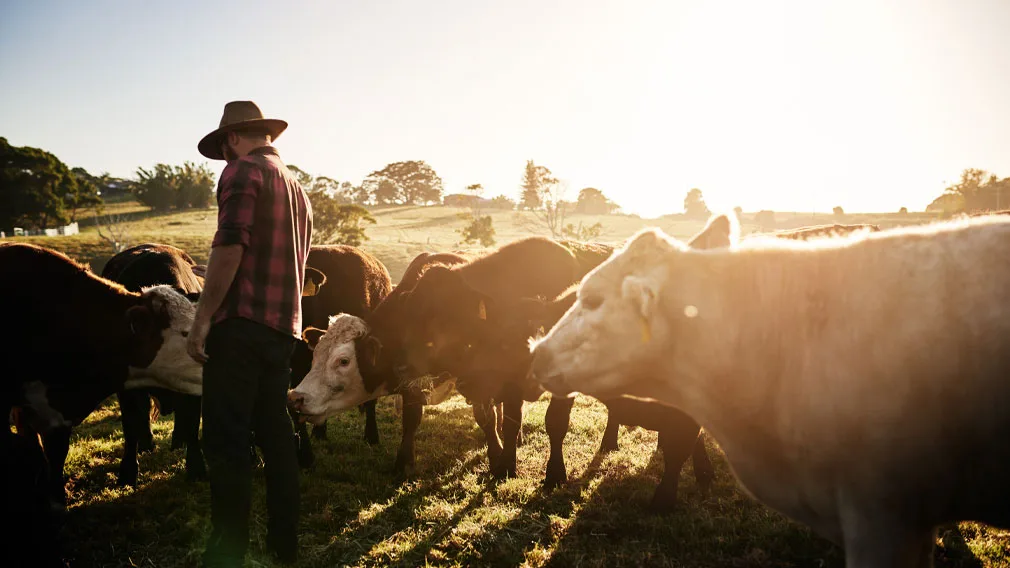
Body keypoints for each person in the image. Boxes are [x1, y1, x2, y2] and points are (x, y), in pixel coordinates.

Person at [188, 100, 313, 567]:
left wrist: (202, 321)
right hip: (283, 329)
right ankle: (285, 546)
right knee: (276, 436)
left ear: (234, 138)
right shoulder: (299, 188)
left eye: (224, 149)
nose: (224, 158)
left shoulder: (242, 172)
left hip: (239, 325)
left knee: (225, 440)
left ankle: (227, 551)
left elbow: (229, 245)